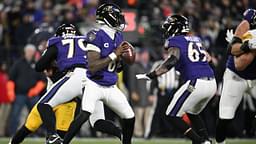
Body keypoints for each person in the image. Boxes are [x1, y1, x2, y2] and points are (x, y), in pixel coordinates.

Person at [35, 24, 122, 144]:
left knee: (43, 105)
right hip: (94, 78)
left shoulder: (58, 42)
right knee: (97, 121)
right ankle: (121, 134)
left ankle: (52, 136)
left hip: (77, 75)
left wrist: (55, 62)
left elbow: (39, 66)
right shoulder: (88, 40)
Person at [136, 14, 216, 144]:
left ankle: (201, 142)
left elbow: (172, 61)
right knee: (192, 112)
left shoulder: (175, 41)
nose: (167, 30)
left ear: (175, 28)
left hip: (196, 82)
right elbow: (208, 58)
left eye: (169, 27)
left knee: (171, 115)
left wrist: (152, 74)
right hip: (211, 83)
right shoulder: (196, 39)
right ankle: (206, 139)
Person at [63, 3, 135, 144]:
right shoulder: (95, 35)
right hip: (94, 84)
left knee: (129, 116)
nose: (120, 20)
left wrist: (120, 61)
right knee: (85, 114)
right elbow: (92, 66)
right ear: (108, 18)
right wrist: (115, 55)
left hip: (110, 85)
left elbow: (116, 65)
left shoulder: (118, 36)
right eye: (117, 17)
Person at [216, 9, 256, 144]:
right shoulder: (246, 26)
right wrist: (248, 45)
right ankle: (220, 142)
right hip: (237, 76)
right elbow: (235, 56)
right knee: (226, 116)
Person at [7, 44, 46, 136]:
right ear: (25, 52)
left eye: (31, 52)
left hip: (32, 95)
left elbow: (42, 80)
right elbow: (11, 78)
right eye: (28, 51)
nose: (30, 53)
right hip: (19, 94)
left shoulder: (37, 64)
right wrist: (11, 92)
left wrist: (36, 90)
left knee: (36, 115)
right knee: (15, 115)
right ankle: (12, 133)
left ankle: (34, 134)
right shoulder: (18, 63)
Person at [129, 49, 153, 137]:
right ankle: (138, 133)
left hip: (148, 94)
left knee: (148, 115)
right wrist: (133, 92)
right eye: (144, 54)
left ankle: (146, 132)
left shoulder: (151, 66)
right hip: (139, 93)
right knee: (138, 114)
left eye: (147, 55)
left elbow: (154, 81)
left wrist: (152, 94)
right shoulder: (135, 66)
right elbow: (131, 80)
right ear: (141, 55)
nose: (146, 56)